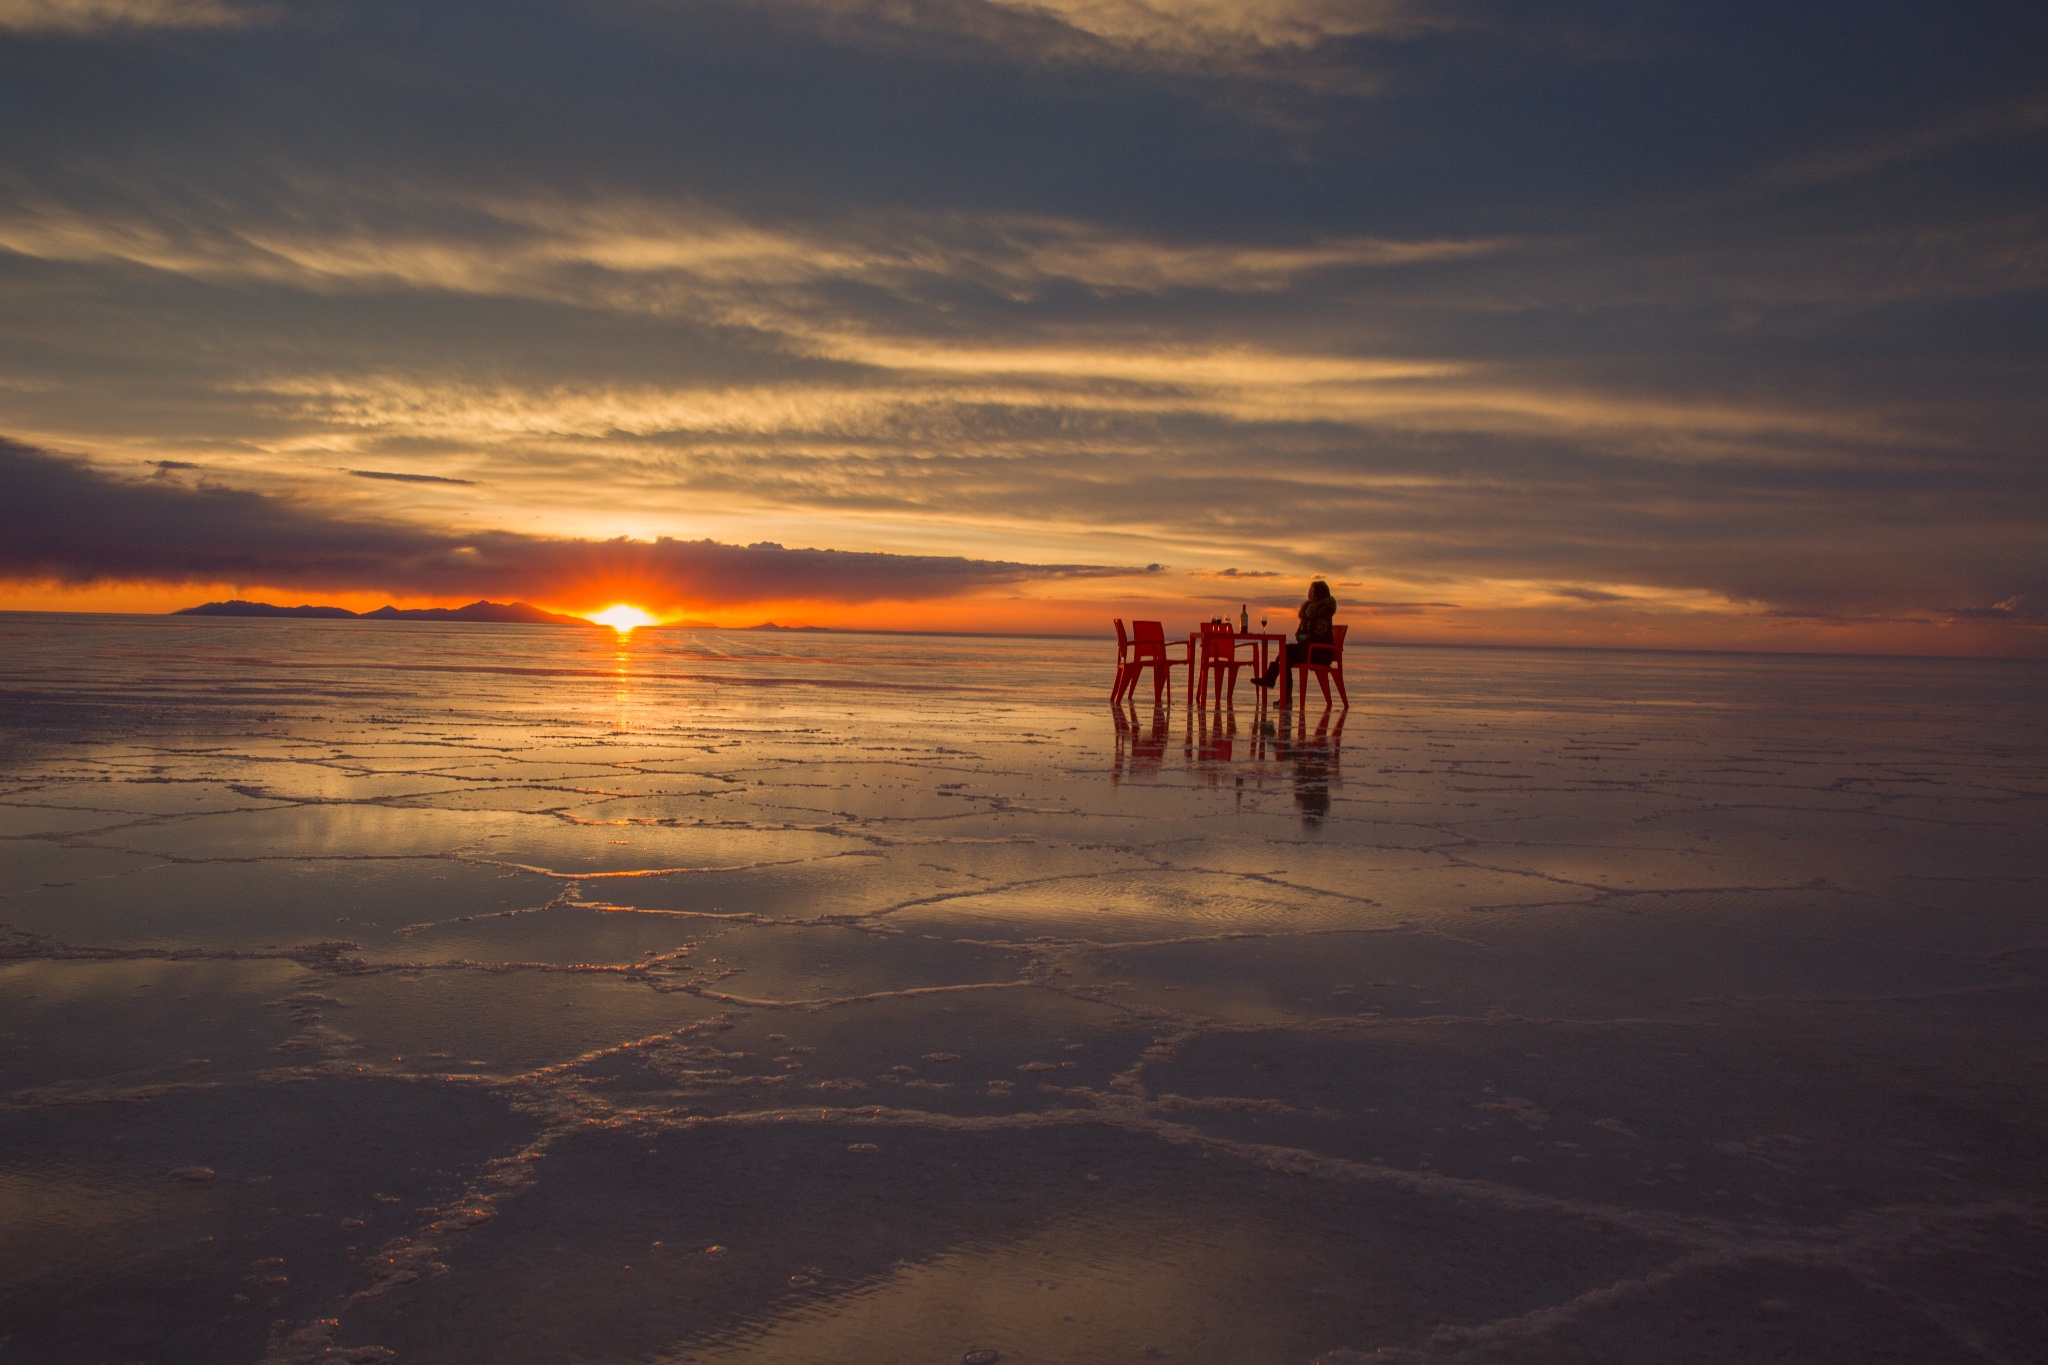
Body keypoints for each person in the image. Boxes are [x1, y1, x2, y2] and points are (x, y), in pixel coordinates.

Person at [1254, 580, 1335, 689]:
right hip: (1307, 649)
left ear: (1319, 594)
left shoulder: (1324, 613)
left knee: (1286, 653)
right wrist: (1302, 637)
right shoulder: (1308, 611)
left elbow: (1319, 636)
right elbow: (1299, 633)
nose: (1309, 594)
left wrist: (1305, 638)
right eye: (1309, 591)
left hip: (1320, 653)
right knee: (1285, 652)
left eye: (1312, 591)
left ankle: (1272, 681)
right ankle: (1277, 687)